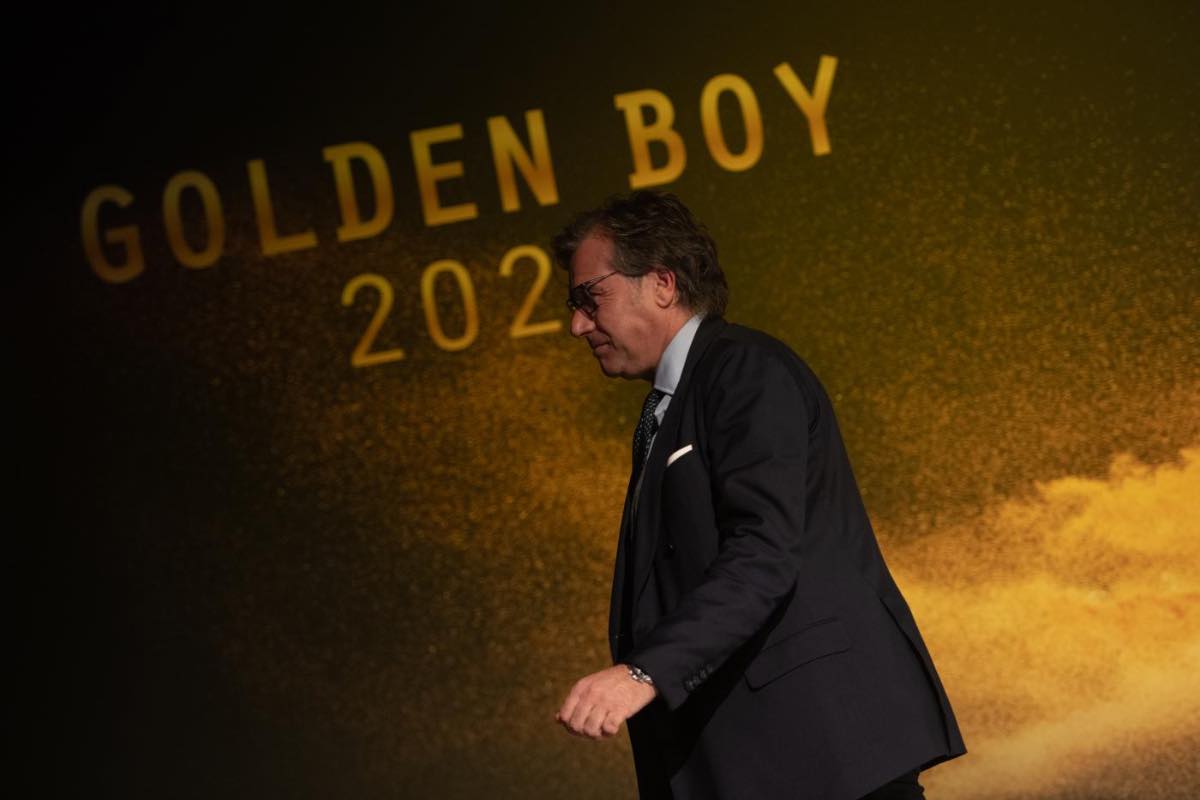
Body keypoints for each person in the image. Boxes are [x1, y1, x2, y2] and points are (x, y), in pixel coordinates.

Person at [551, 190, 966, 799]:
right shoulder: (675, 402)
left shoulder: (744, 370)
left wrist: (643, 672)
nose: (578, 325)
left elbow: (763, 553)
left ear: (662, 283)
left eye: (590, 297)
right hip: (762, 763)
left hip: (819, 753)